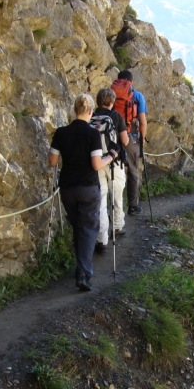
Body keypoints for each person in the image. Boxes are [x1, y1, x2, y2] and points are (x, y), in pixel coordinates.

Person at [49, 94, 118, 291]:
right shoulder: (92, 134)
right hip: (88, 188)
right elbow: (96, 165)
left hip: (67, 188)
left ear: (74, 109)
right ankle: (83, 274)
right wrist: (111, 156)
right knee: (88, 229)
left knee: (79, 227)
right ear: (90, 111)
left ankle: (81, 266)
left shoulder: (61, 133)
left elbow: (52, 161)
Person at [92, 87, 130, 251]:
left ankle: (102, 239)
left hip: (96, 161)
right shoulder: (116, 116)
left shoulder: (91, 116)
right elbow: (125, 141)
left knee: (100, 200)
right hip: (114, 161)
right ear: (112, 101)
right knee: (117, 195)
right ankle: (117, 226)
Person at [111, 70, 148, 214]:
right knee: (133, 171)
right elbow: (142, 121)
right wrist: (142, 139)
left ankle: (112, 206)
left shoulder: (111, 93)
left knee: (112, 170)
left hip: (112, 136)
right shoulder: (137, 95)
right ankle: (133, 206)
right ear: (131, 81)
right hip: (130, 136)